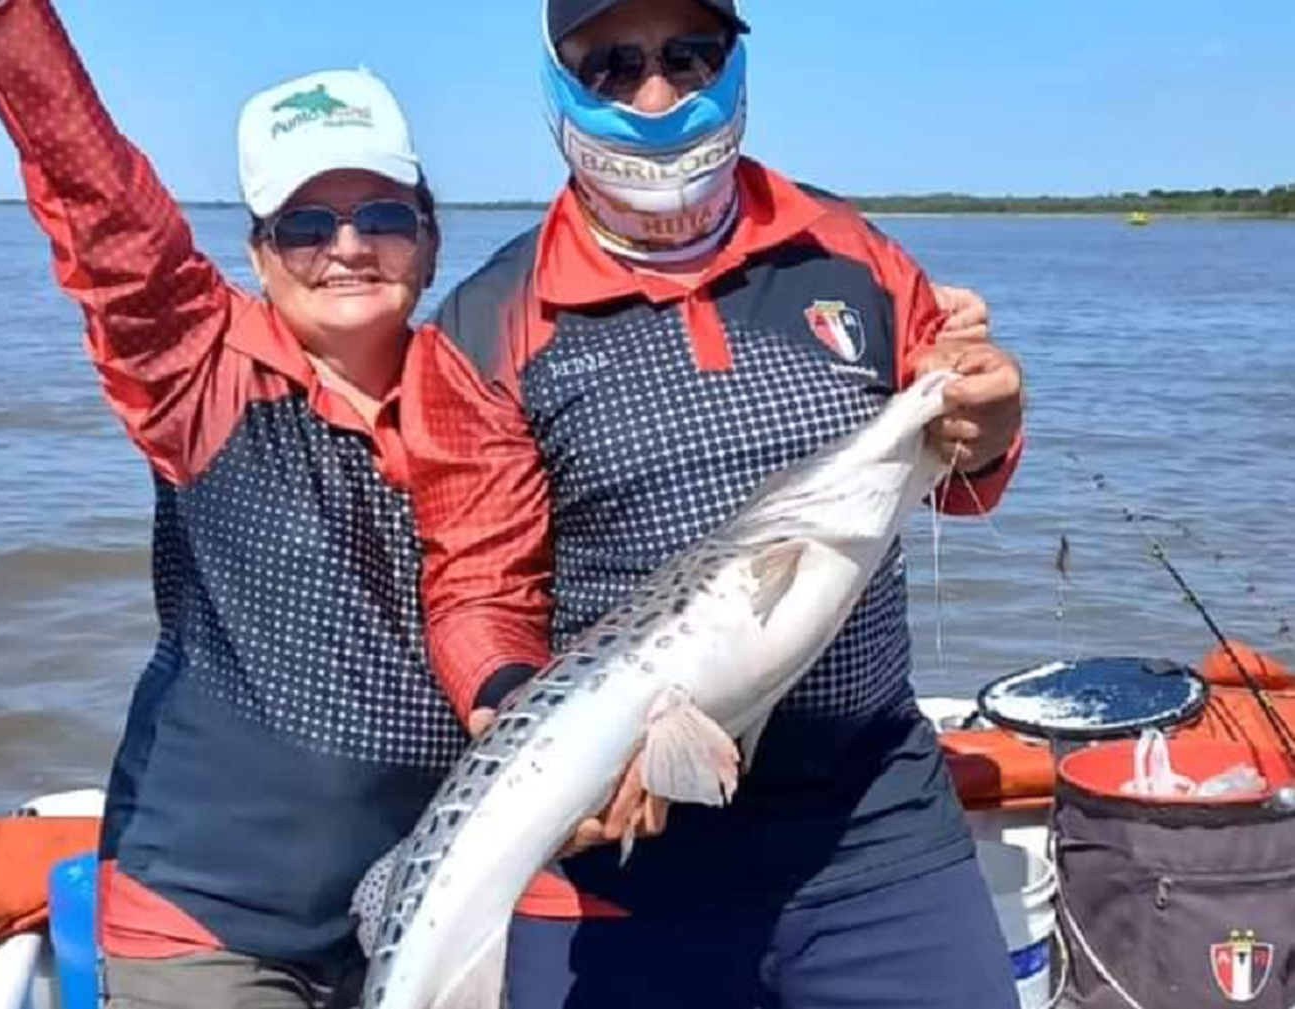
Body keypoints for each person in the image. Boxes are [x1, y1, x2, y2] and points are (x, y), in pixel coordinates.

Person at [400, 0, 1026, 1006]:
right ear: (561, 79)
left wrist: (990, 423)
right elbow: (478, 588)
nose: (655, 92)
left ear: (733, 62)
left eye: (688, 54)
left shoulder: (851, 252)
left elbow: (952, 450)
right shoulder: (487, 322)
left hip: (875, 822)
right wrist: (529, 731)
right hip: (624, 872)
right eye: (613, 65)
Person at [0, 0, 462, 1005]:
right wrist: (2, 20)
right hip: (209, 923)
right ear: (262, 257)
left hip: (422, 903)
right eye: (307, 225)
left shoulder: (485, 394)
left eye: (384, 218)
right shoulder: (197, 376)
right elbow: (100, 205)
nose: (348, 247)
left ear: (431, 245)